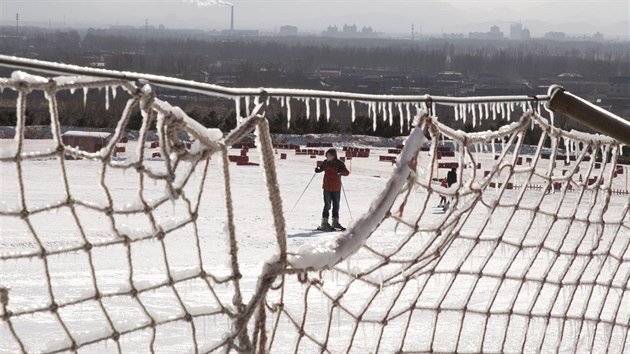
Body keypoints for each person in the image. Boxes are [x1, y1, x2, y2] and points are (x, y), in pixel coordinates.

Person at [314, 148, 350, 231]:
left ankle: (335, 222)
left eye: (330, 155)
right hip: (327, 187)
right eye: (327, 155)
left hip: (336, 188)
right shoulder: (325, 163)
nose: (328, 157)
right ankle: (324, 223)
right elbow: (320, 168)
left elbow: (347, 173)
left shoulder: (339, 163)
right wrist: (318, 170)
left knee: (336, 206)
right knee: (327, 205)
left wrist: (341, 171)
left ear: (334, 156)